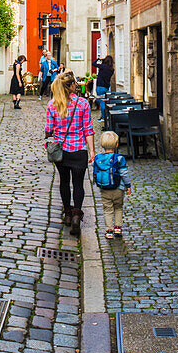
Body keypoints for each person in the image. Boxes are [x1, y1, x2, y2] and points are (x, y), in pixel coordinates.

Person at [45, 70, 95, 236]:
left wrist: (50, 133)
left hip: (62, 151)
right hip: (79, 150)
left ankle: (67, 213)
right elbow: (88, 129)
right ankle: (76, 215)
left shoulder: (53, 104)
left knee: (64, 182)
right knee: (79, 184)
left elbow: (48, 129)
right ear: (72, 85)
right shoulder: (83, 104)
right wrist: (92, 151)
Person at [93, 130, 132, 239]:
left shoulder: (98, 158)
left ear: (101, 145)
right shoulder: (119, 159)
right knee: (118, 208)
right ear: (116, 145)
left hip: (104, 189)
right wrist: (128, 186)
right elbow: (124, 174)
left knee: (107, 209)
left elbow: (94, 168)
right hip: (118, 188)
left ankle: (109, 230)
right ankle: (118, 228)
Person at [93, 55, 115, 120]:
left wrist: (98, 59)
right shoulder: (111, 69)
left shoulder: (103, 66)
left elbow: (93, 63)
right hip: (106, 87)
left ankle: (103, 116)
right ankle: (105, 115)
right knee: (102, 100)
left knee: (100, 101)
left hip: (100, 86)